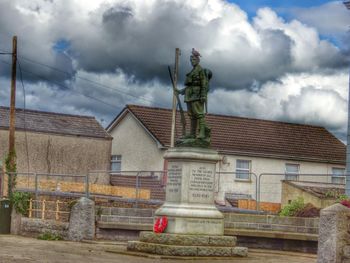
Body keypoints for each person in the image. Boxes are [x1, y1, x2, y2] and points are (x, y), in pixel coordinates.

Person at [177, 49, 211, 141]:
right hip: (189, 95)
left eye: (194, 60)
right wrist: (180, 91)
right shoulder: (192, 71)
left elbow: (203, 83)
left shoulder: (200, 70)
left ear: (198, 60)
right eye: (191, 60)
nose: (192, 61)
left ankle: (202, 133)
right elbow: (190, 85)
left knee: (199, 114)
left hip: (197, 95)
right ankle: (192, 134)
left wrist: (203, 95)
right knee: (192, 115)